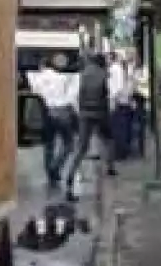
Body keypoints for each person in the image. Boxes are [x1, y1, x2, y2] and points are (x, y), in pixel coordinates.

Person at [64, 52, 115, 202]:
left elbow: (74, 96)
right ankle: (110, 166)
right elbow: (107, 96)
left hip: (85, 114)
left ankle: (70, 177)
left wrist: (78, 111)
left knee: (81, 148)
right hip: (100, 113)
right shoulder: (104, 74)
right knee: (108, 139)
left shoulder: (82, 74)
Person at [33, 54, 78, 192]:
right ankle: (56, 167)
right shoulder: (61, 77)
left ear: (42, 66)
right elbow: (70, 95)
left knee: (49, 145)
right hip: (62, 111)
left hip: (46, 113)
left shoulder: (37, 79)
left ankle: (51, 174)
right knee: (69, 144)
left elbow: (36, 92)